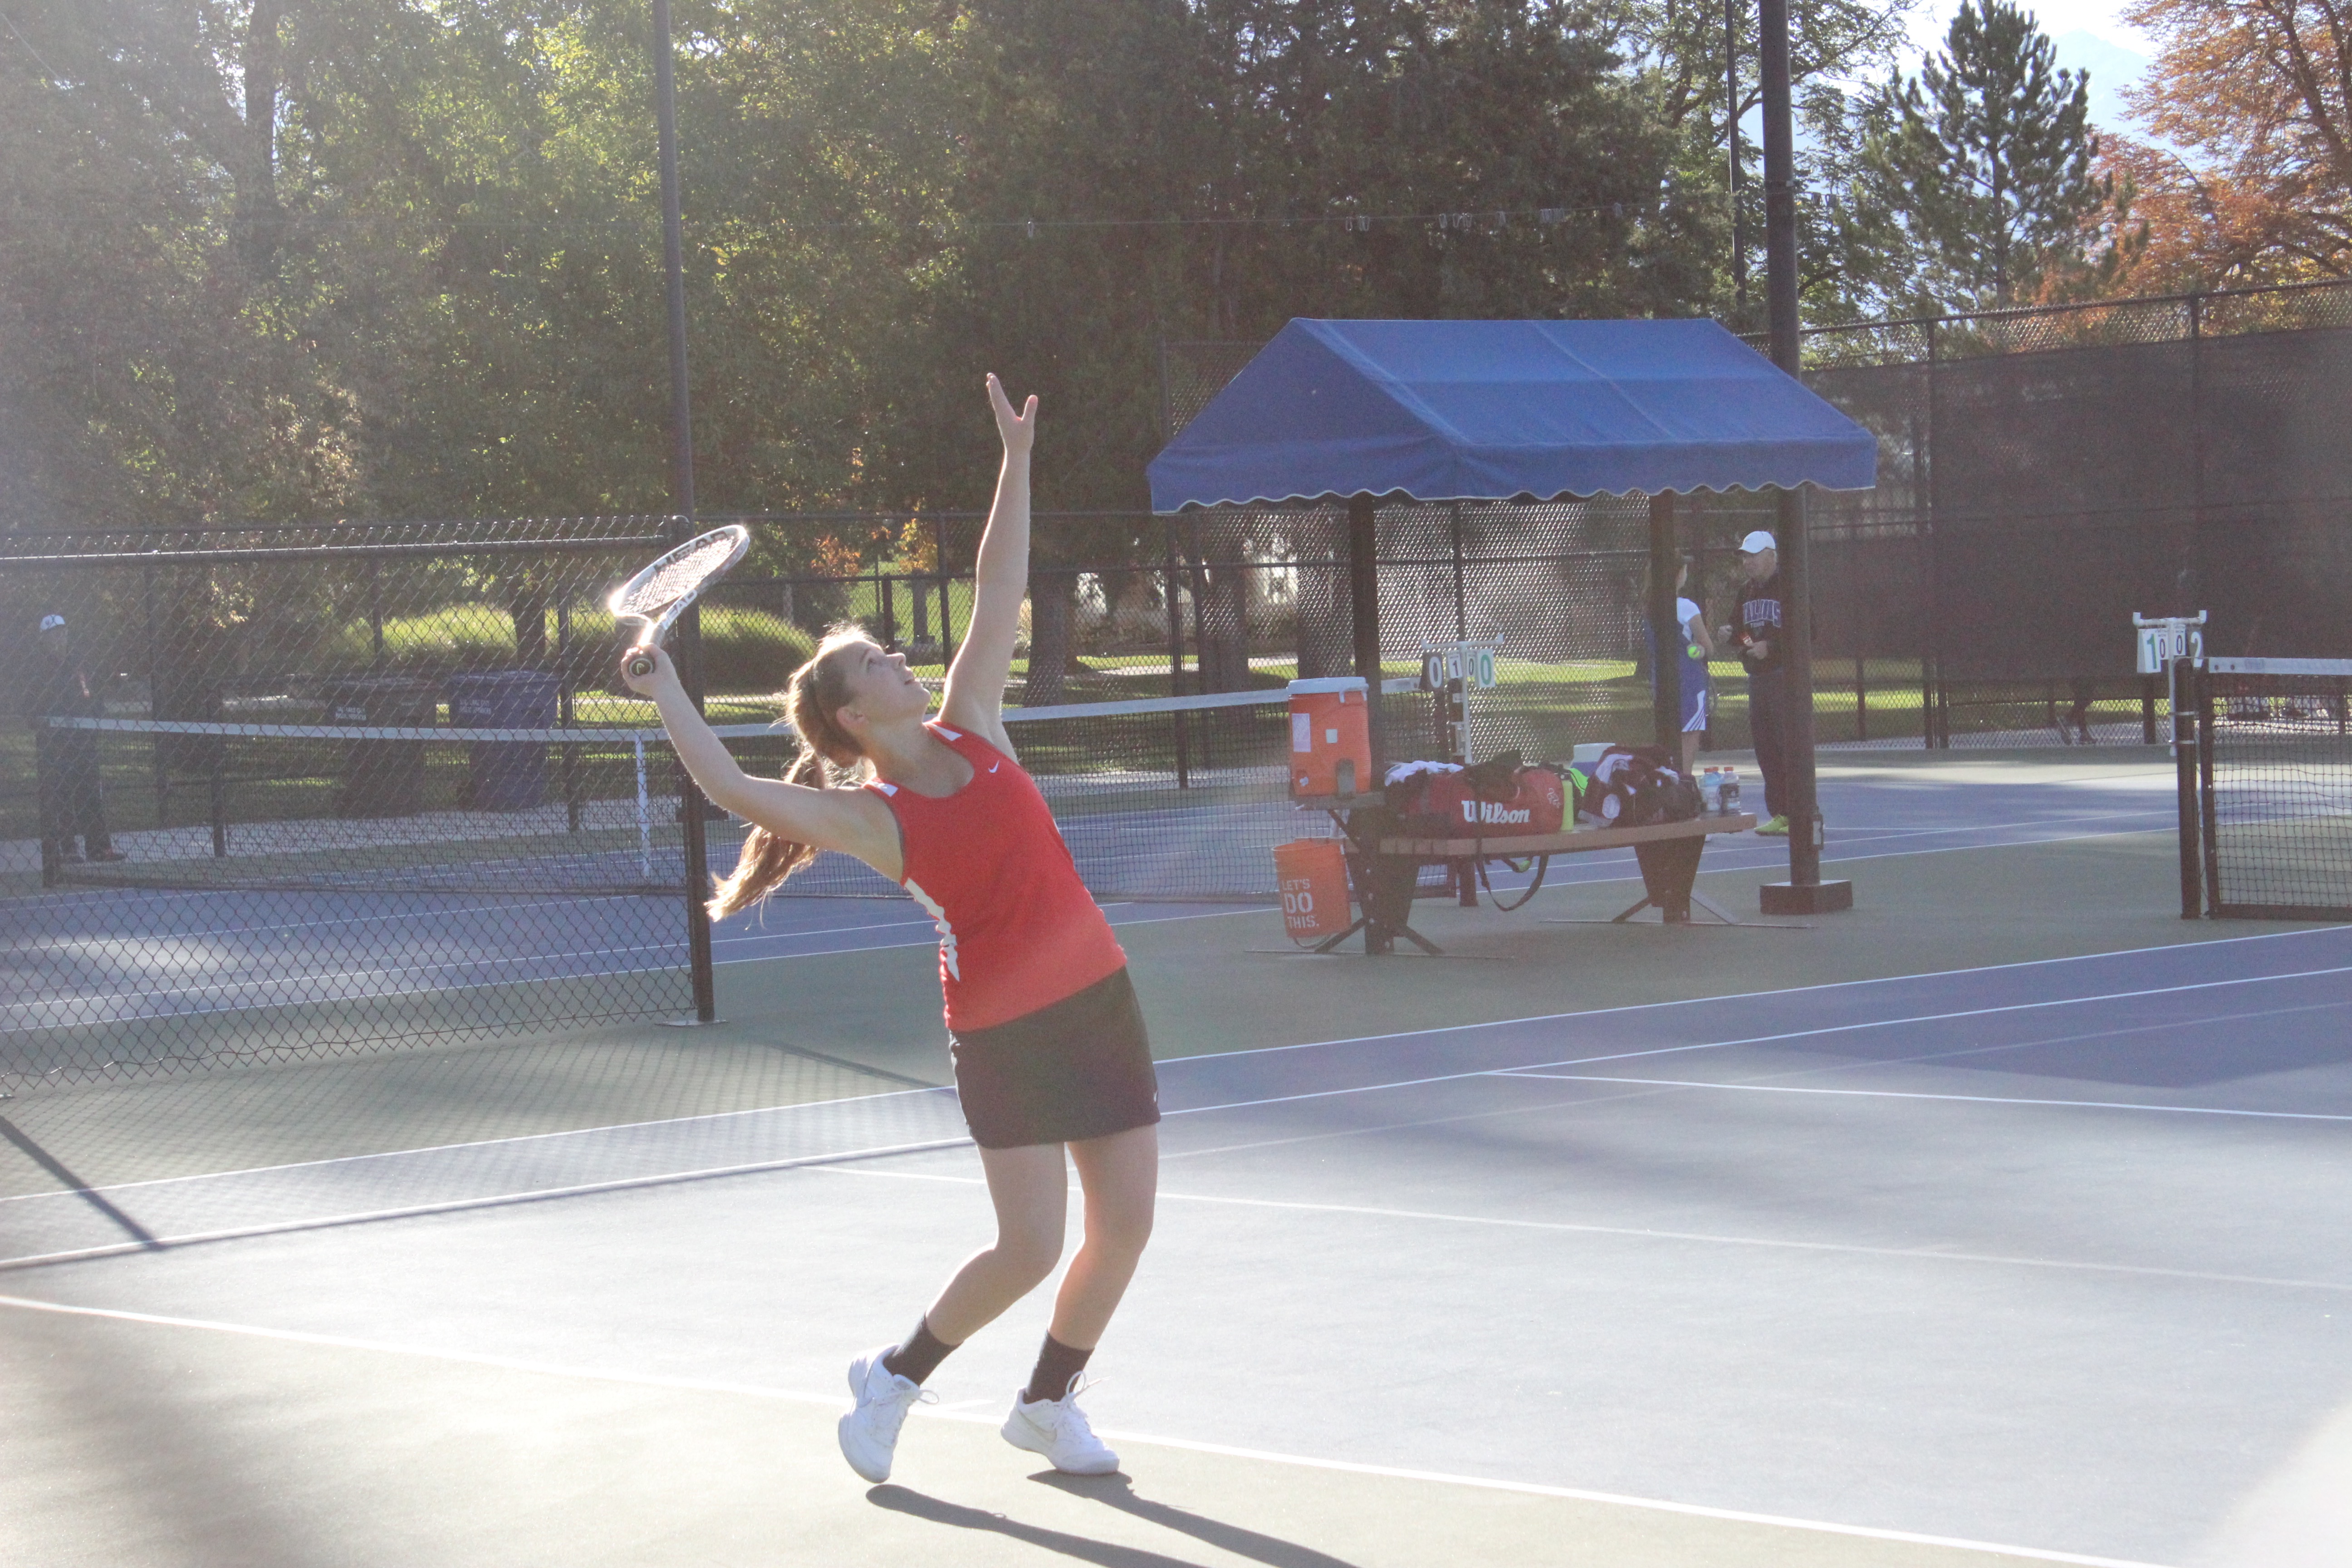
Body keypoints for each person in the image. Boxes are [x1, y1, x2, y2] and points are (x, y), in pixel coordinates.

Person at [621, 376, 1156, 1485]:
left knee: (1128, 1221)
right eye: (877, 660)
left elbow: (996, 581)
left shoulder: (979, 723)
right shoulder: (871, 817)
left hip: (1097, 994)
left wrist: (1015, 458)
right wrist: (665, 686)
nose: (901, 658)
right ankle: (895, 1376)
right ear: (857, 716)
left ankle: (1048, 1405)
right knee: (1028, 1244)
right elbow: (730, 785)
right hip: (1006, 1028)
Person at [29, 613, 123, 868]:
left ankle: (100, 848)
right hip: (56, 744)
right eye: (53, 634)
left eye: (62, 632)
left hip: (83, 741)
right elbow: (34, 704)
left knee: (91, 793)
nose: (59, 637)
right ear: (44, 639)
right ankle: (67, 849)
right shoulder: (40, 667)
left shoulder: (78, 663)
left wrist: (96, 715)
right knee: (61, 794)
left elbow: (90, 695)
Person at [1718, 532, 1790, 836]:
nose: (1748, 562)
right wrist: (1739, 638)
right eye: (1745, 557)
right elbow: (1742, 633)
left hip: (1785, 679)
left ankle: (1797, 811)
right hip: (1758, 680)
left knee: (1787, 746)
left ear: (1771, 556)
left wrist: (1770, 647)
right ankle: (1780, 814)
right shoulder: (1746, 592)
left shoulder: (1789, 587)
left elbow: (1806, 630)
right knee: (1766, 750)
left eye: (1754, 556)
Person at [1642, 556, 1714, 774]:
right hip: (1689, 684)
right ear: (1678, 574)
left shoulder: (1648, 607)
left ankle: (1671, 792)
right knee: (1687, 751)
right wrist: (1700, 650)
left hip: (1662, 683)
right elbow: (1708, 648)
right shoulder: (1686, 607)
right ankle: (1682, 795)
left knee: (1667, 745)